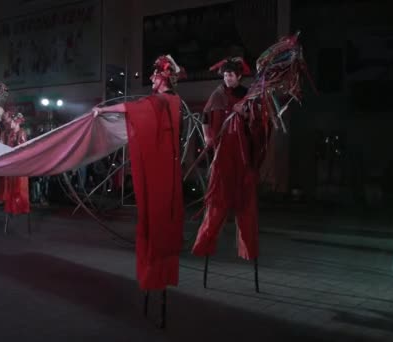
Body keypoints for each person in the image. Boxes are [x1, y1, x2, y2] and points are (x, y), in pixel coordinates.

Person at [92, 54, 185, 292]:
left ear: (164, 78)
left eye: (155, 74)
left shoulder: (161, 101)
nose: (152, 78)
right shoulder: (174, 101)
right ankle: (160, 267)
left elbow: (131, 108)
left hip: (159, 165)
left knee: (154, 213)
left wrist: (103, 110)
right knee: (164, 212)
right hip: (169, 166)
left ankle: (155, 268)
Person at [192, 57, 266, 261]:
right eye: (225, 75)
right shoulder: (217, 94)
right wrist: (207, 136)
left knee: (245, 203)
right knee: (217, 200)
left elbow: (257, 123)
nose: (227, 78)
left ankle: (249, 249)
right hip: (221, 152)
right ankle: (205, 242)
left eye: (231, 75)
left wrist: (245, 112)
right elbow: (205, 117)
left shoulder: (247, 94)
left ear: (239, 77)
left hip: (241, 154)